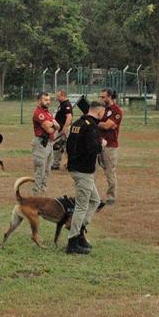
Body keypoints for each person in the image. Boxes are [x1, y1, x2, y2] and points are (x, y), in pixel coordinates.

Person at [66, 100, 107, 255]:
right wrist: (101, 144)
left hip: (76, 167)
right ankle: (73, 241)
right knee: (82, 205)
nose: (103, 115)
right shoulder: (91, 127)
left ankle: (80, 231)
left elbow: (69, 145)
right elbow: (92, 149)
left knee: (95, 200)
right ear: (98, 111)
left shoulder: (77, 123)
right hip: (83, 171)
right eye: (103, 112)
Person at [98, 89, 123, 205]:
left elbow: (108, 126)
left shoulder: (116, 111)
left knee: (110, 172)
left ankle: (111, 197)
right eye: (101, 97)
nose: (101, 99)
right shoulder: (103, 110)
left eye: (103, 97)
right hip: (98, 143)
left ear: (110, 97)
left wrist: (96, 123)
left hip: (110, 146)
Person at [31, 92, 59, 195]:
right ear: (39, 101)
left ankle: (42, 192)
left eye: (49, 100)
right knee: (40, 171)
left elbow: (58, 126)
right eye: (45, 100)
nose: (48, 102)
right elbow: (49, 130)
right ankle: (36, 195)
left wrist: (52, 125)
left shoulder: (48, 112)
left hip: (50, 144)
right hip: (41, 144)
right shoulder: (39, 113)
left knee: (47, 170)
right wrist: (53, 125)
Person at [51, 90, 73, 171]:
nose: (57, 98)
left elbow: (69, 117)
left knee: (62, 146)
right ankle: (57, 163)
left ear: (63, 95)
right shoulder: (62, 104)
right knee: (60, 146)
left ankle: (60, 164)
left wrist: (65, 128)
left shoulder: (66, 105)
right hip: (61, 129)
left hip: (64, 129)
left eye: (58, 96)